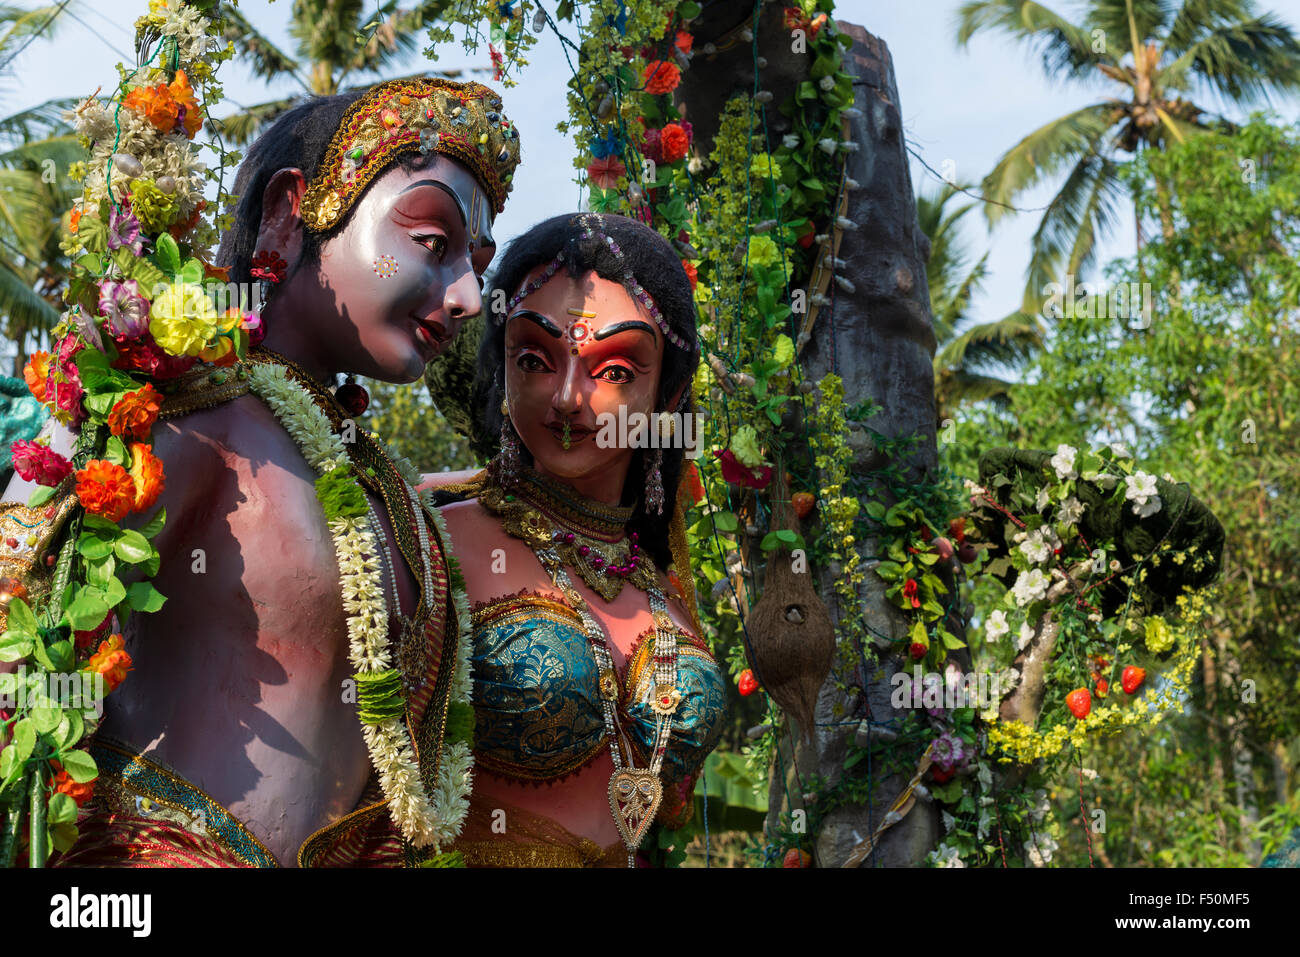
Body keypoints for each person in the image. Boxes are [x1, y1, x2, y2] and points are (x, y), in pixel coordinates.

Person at [2, 76, 520, 867]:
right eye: (432, 242)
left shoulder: (391, 497)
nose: (467, 297)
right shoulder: (181, 411)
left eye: (476, 265)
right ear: (290, 210)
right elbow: (19, 628)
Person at [426, 212, 727, 867]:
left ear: (669, 395)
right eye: (535, 357)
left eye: (614, 369)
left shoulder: (661, 579)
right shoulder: (430, 543)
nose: (566, 398)